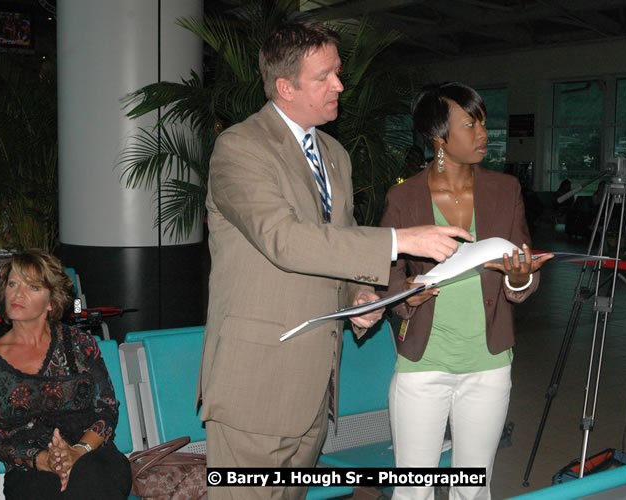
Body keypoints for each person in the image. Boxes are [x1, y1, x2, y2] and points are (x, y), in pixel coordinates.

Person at [199, 20, 472, 500]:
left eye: (338, 73)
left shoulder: (334, 155)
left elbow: (335, 247)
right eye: (325, 76)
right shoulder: (241, 148)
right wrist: (399, 240)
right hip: (256, 388)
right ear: (285, 87)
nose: (340, 86)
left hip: (314, 389)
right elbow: (283, 239)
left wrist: (360, 295)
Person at [379, 82, 553, 500]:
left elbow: (522, 266)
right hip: (424, 365)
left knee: (473, 490)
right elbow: (387, 274)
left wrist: (519, 277)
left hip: (488, 363)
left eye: (484, 125)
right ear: (439, 137)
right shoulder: (403, 197)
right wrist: (406, 294)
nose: (483, 135)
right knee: (412, 493)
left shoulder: (505, 190)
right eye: (470, 125)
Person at [0, 250, 131, 499]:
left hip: (93, 455)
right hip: (30, 468)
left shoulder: (79, 343)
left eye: (32, 287)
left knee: (89, 482)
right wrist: (42, 459)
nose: (18, 293)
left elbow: (106, 409)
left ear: (51, 302)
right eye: (13, 284)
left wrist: (78, 450)